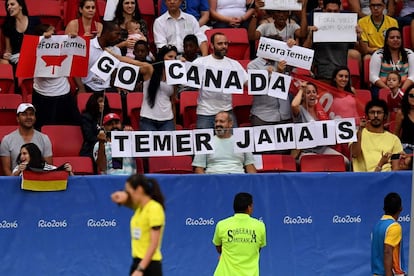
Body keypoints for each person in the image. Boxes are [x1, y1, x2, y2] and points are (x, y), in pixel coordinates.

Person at [108, 45, 178, 131]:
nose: (173, 60)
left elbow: (173, 102)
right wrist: (112, 55)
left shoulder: (176, 75)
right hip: (148, 119)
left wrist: (174, 124)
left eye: (175, 57)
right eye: (170, 56)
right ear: (162, 57)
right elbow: (132, 62)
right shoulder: (150, 69)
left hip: (167, 120)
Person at [111, 174, 165, 276]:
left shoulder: (154, 209)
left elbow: (154, 244)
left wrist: (141, 269)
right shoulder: (140, 209)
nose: (127, 194)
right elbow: (129, 202)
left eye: (128, 191)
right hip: (138, 262)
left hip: (150, 265)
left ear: (139, 189)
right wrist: (121, 197)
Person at [32, 24, 82, 130]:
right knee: (43, 130)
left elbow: (79, 54)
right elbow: (29, 59)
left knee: (73, 128)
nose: (52, 37)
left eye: (54, 34)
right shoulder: (33, 48)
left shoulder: (62, 47)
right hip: (42, 97)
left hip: (64, 95)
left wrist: (74, 40)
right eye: (49, 34)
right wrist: (41, 40)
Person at [193, 32, 247, 129]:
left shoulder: (234, 64)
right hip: (205, 112)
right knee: (203, 144)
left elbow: (248, 83)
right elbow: (185, 80)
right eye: (220, 44)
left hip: (227, 111)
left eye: (226, 44)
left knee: (233, 142)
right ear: (212, 46)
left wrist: (265, 75)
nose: (224, 46)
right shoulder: (200, 62)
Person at [303, 0, 361, 82]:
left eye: (335, 11)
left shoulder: (347, 27)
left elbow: (360, 51)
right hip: (322, 76)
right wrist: (310, 37)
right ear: (323, 11)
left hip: (342, 78)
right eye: (329, 11)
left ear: (340, 11)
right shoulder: (316, 28)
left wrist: (359, 37)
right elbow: (304, 51)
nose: (332, 14)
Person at [291, 81, 348, 161]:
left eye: (314, 92)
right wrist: (301, 90)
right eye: (308, 92)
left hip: (323, 149)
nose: (312, 94)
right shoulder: (300, 110)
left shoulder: (320, 111)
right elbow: (294, 105)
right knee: (315, 163)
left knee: (344, 161)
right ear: (303, 97)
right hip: (307, 151)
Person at [212, 192, 266, 276]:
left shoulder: (222, 225)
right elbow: (257, 249)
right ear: (249, 207)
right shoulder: (260, 226)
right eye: (252, 206)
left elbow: (219, 248)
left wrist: (227, 255)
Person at [192, 111, 256, 174]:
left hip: (237, 178)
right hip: (214, 179)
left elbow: (250, 165)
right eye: (216, 121)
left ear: (230, 124)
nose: (218, 124)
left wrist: (253, 182)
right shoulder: (205, 142)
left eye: (221, 121)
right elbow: (199, 168)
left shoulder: (242, 141)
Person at [350, 99, 403, 171]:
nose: (375, 116)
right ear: (367, 116)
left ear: (385, 116)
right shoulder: (357, 133)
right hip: (362, 178)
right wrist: (360, 131)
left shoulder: (394, 139)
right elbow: (355, 154)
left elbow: (395, 168)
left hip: (386, 178)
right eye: (372, 112)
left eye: (379, 112)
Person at [0, 103, 53, 176]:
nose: (28, 117)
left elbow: (49, 168)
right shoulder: (7, 140)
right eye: (24, 114)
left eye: (31, 114)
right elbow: (6, 170)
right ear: (18, 118)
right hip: (16, 182)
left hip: (38, 182)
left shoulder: (44, 139)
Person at [75, 21, 122, 93]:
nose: (119, 37)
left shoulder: (116, 50)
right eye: (117, 34)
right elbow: (76, 69)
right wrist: (81, 88)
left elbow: (115, 73)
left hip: (107, 89)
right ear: (107, 32)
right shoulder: (87, 46)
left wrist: (118, 86)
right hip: (88, 87)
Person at [247, 52, 292, 126]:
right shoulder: (253, 65)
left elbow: (297, 58)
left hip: (285, 115)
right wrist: (270, 73)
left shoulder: (283, 61)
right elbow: (255, 88)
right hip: (262, 116)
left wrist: (291, 46)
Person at [369, 27, 414, 98]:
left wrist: (401, 90)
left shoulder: (409, 53)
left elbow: (413, 76)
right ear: (386, 41)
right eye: (392, 37)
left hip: (404, 86)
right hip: (383, 86)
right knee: (376, 94)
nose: (395, 39)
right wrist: (388, 90)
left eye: (398, 37)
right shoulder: (378, 54)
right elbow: (373, 77)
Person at [371, 192, 406, 276]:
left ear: (384, 208)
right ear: (400, 208)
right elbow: (387, 252)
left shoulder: (377, 226)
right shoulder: (394, 227)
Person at [1, 0, 40, 65]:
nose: (9, 7)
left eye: (12, 4)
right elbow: (8, 49)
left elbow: (41, 42)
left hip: (33, 56)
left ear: (20, 6)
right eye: (7, 6)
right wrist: (7, 55)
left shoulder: (35, 21)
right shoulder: (7, 25)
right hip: (16, 60)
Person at [80, 92, 111, 158]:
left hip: (108, 147)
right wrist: (104, 140)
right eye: (100, 101)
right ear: (93, 103)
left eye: (104, 102)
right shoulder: (86, 117)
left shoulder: (108, 116)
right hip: (91, 148)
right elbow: (90, 137)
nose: (103, 104)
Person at [393, 84, 414, 154]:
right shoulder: (401, 113)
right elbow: (396, 133)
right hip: (406, 147)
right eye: (411, 96)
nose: (413, 98)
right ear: (406, 96)